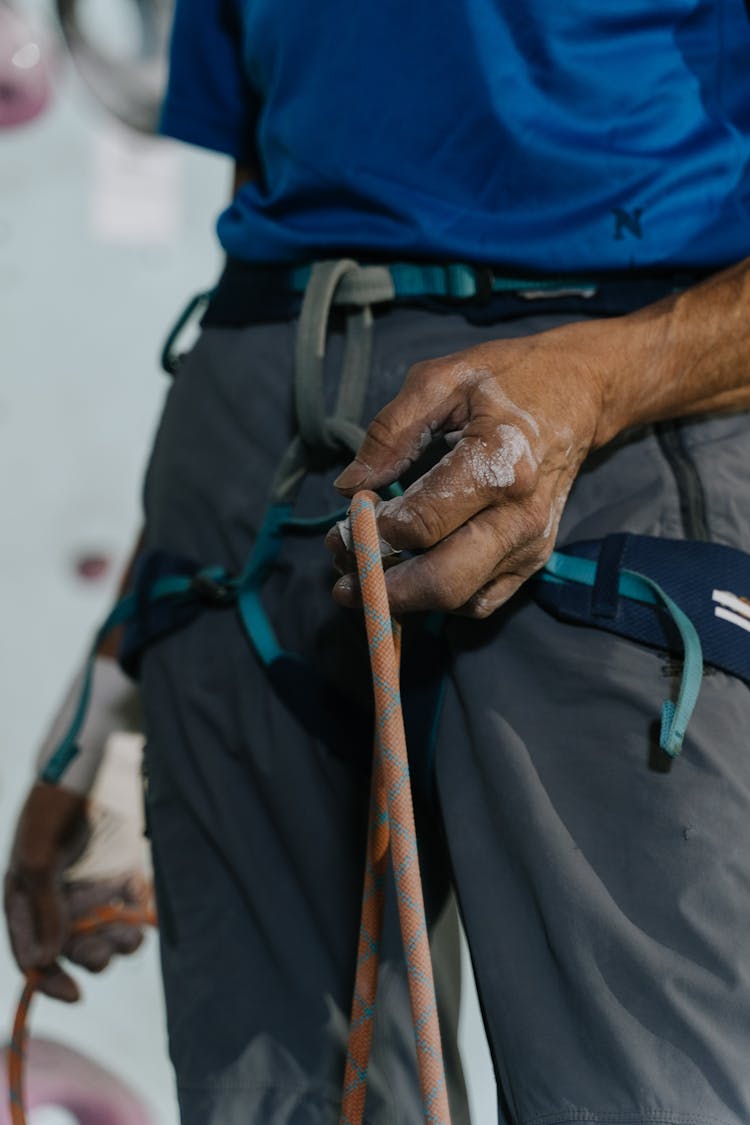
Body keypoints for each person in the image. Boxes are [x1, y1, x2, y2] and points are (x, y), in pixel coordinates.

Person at [6, 2, 750, 1123]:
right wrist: (110, 697)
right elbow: (273, 191)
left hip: (612, 407)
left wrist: (602, 381)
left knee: (645, 1092)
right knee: (278, 1097)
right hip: (255, 444)